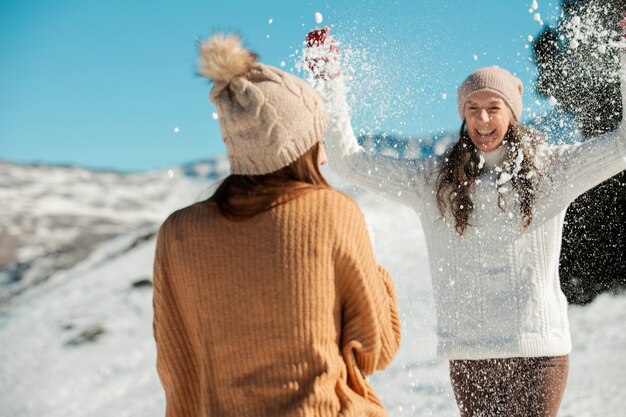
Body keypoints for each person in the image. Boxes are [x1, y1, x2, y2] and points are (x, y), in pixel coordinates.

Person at [306, 22, 626, 417]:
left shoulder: (550, 171)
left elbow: (623, 145)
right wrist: (330, 80)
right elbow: (348, 161)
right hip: (471, 356)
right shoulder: (434, 182)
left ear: (511, 113)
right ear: (463, 116)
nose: (483, 119)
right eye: (473, 109)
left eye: (494, 107)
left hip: (538, 353)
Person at [152, 33, 401, 417]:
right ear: (298, 147)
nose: (322, 155)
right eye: (317, 139)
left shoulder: (178, 233)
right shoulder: (331, 212)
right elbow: (377, 348)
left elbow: (176, 367)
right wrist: (373, 270)